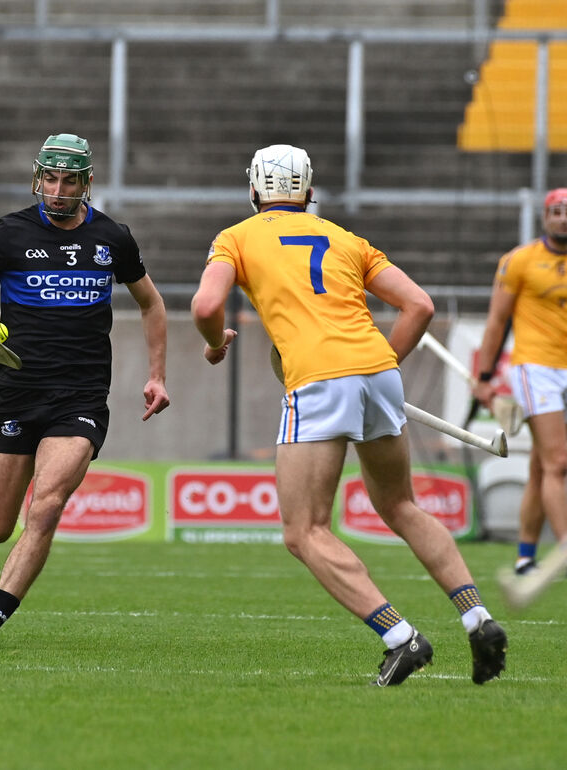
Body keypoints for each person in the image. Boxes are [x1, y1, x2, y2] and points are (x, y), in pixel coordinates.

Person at [191, 144, 507, 685]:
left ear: (253, 191)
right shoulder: (346, 238)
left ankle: (399, 636)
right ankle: (477, 617)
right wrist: (378, 368)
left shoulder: (235, 238)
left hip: (318, 379)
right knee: (401, 505)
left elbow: (204, 306)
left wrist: (216, 341)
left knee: (304, 530)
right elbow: (419, 305)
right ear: (310, 192)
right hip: (378, 369)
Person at [0, 133, 170, 651]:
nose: (58, 191)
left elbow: (151, 303)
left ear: (87, 183)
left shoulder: (112, 238)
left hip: (81, 398)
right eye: (51, 179)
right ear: (38, 178)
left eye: (69, 181)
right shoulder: (11, 233)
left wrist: (156, 375)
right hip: (18, 392)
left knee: (46, 506)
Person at [472, 187, 567, 578]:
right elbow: (497, 321)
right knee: (559, 462)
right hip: (536, 368)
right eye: (556, 211)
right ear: (545, 217)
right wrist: (484, 377)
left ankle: (526, 556)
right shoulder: (519, 261)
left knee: (542, 467)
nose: (563, 218)